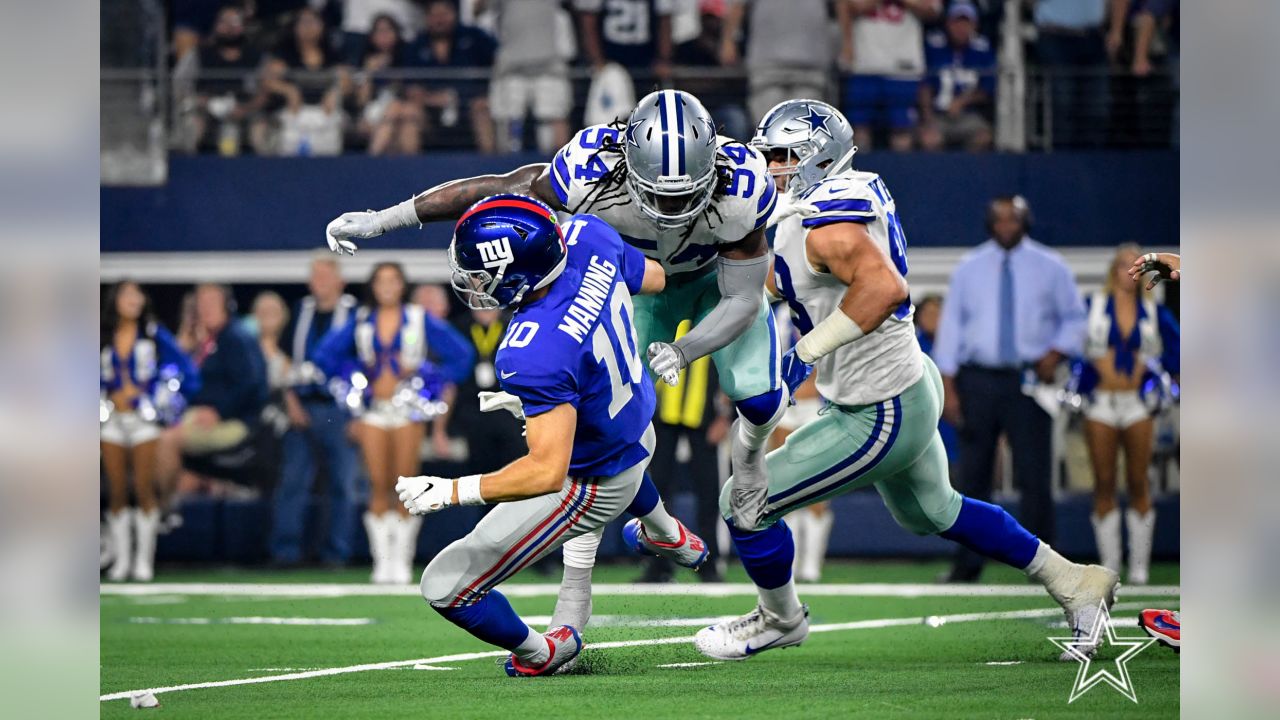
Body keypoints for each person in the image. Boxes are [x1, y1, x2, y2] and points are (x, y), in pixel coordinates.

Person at [324, 89, 778, 626]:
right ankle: (621, 556)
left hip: (706, 282)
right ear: (626, 162)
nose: (672, 210)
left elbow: (744, 297)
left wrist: (685, 349)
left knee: (758, 398)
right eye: (660, 193)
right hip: (641, 281)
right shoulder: (588, 180)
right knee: (608, 426)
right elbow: (500, 190)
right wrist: (385, 219)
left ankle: (723, 494)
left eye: (686, 196)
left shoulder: (741, 187)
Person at [693, 99, 1118, 662]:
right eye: (767, 154)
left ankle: (779, 619)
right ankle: (1074, 582)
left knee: (744, 501)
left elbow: (885, 289)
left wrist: (805, 350)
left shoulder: (828, 228)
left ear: (818, 159)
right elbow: (784, 281)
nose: (771, 166)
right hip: (903, 385)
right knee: (935, 512)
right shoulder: (830, 199)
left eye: (782, 155)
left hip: (880, 408)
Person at [395, 194, 682, 676]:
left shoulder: (529, 351)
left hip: (595, 478)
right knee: (610, 464)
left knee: (444, 585)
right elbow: (655, 279)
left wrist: (452, 490)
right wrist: (559, 391)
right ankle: (671, 535)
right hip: (637, 429)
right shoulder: (589, 236)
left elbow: (549, 471)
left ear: (516, 272)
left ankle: (543, 652)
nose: (470, 281)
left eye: (478, 273)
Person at [931, 195, 1087, 584]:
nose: (1005, 226)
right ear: (989, 223)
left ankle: (1047, 569)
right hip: (977, 379)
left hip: (1029, 381)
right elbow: (950, 329)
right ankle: (967, 565)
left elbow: (1076, 319)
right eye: (999, 219)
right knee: (973, 478)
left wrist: (1056, 351)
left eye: (1013, 219)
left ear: (1025, 221)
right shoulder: (969, 267)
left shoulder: (1051, 266)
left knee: (1035, 475)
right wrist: (947, 387)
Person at [314, 262, 475, 584]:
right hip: (373, 411)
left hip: (407, 411)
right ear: (372, 286)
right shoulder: (361, 320)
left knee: (405, 484)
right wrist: (355, 375)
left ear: (403, 285)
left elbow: (461, 354)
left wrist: (428, 377)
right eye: (381, 281)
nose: (387, 286)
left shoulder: (417, 317)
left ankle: (401, 560)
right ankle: (381, 562)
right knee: (377, 483)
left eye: (394, 280)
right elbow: (323, 356)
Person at [1081, 244, 1179, 585]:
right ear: (1113, 269)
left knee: (1139, 480)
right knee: (1104, 481)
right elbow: (1072, 346)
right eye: (1124, 264)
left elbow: (1178, 354)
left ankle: (1140, 566)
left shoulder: (1155, 312)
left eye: (1137, 265)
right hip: (1101, 402)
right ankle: (1110, 564)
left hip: (1138, 403)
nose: (1130, 270)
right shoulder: (1092, 306)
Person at [101, 282, 201, 582]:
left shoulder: (154, 335)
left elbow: (186, 371)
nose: (133, 300)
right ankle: (121, 560)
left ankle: (144, 561)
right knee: (116, 489)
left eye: (137, 295)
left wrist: (161, 399)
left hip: (143, 419)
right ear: (114, 300)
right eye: (126, 294)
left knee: (144, 487)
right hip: (111, 419)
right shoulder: (101, 334)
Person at [268, 255, 361, 568]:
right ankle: (285, 552)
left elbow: (364, 366)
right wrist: (290, 401)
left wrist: (357, 414)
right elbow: (283, 360)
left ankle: (337, 554)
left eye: (325, 276)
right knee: (292, 481)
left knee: (343, 485)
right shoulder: (300, 313)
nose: (319, 282)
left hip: (340, 408)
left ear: (340, 281)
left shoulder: (356, 316)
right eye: (315, 276)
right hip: (302, 406)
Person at [155, 284, 268, 499]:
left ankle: (162, 512)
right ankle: (198, 490)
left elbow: (251, 383)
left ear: (226, 304)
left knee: (166, 440)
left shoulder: (236, 337)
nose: (205, 309)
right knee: (148, 438)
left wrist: (219, 412)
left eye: (211, 302)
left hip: (236, 422)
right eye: (201, 303)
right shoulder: (207, 340)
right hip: (198, 414)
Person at [720, 0, 845, 130]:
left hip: (811, 68)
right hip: (767, 68)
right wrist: (728, 42)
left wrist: (847, 44)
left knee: (806, 133)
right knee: (767, 130)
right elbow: (737, 5)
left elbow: (841, 4)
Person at [842, 0, 942, 152]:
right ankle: (859, 174)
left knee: (902, 130)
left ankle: (901, 175)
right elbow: (852, 6)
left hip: (903, 69)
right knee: (860, 129)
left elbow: (933, 11)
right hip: (865, 64)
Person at [480, 0, 573, 155]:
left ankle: (559, 173)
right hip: (510, 67)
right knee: (508, 128)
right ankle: (506, 171)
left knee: (553, 122)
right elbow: (479, 9)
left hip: (550, 65)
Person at [257, 7, 351, 155]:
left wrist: (335, 92)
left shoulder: (333, 54)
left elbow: (346, 82)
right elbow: (267, 81)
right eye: (304, 22)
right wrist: (288, 90)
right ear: (295, 27)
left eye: (313, 22)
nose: (309, 27)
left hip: (325, 114)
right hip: (293, 113)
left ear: (322, 26)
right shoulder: (284, 54)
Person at [407, 0, 497, 153]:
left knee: (482, 108)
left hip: (468, 109)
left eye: (444, 14)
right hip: (430, 114)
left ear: (455, 14)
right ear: (427, 18)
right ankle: (408, 172)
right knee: (409, 113)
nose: (439, 20)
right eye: (434, 15)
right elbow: (411, 87)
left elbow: (496, 66)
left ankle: (490, 168)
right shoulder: (417, 45)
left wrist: (460, 97)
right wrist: (432, 99)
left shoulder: (475, 38)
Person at [919, 2, 996, 152]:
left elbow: (987, 88)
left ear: (974, 25)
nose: (961, 28)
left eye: (966, 23)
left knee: (983, 137)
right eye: (956, 23)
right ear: (948, 24)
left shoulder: (982, 49)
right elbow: (924, 85)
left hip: (969, 115)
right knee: (929, 139)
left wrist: (962, 102)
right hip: (938, 115)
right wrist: (927, 119)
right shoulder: (934, 46)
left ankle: (971, 174)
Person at [355, 14, 428, 155]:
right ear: (372, 36)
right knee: (400, 119)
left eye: (388, 31)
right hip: (374, 113)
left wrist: (397, 78)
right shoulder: (365, 60)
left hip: (406, 112)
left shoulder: (408, 57)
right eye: (379, 31)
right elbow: (361, 101)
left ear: (396, 33)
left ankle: (371, 161)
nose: (384, 36)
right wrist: (369, 72)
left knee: (403, 117)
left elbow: (415, 94)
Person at [574, 0, 674, 81]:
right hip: (609, 57)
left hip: (646, 60)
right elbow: (589, 23)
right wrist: (597, 60)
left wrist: (663, 59)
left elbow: (664, 22)